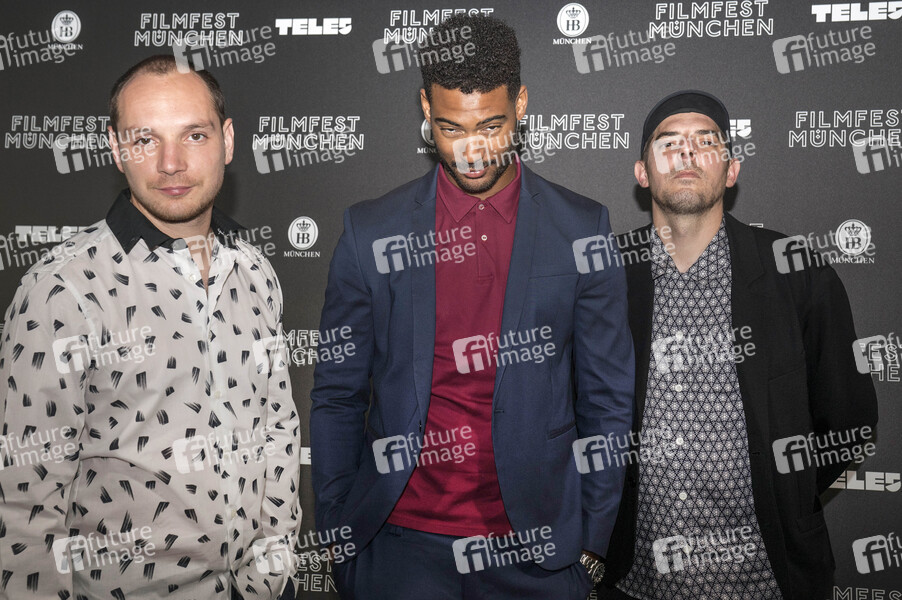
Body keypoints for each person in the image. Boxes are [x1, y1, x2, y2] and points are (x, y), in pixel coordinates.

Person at [310, 13, 635, 600]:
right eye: (451, 128)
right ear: (425, 110)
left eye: (491, 125)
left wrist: (590, 543)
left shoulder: (582, 229)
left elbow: (607, 398)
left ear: (521, 105)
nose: (472, 151)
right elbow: (337, 394)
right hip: (398, 546)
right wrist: (339, 532)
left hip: (536, 552)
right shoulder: (370, 231)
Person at [0, 55, 301, 599]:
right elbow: (24, 501)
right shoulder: (62, 290)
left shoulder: (255, 272)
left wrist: (269, 578)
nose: (170, 162)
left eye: (194, 135)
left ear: (228, 142)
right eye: (145, 140)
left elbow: (278, 431)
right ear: (116, 150)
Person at [600, 90, 878, 600]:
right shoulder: (607, 276)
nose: (687, 153)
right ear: (642, 172)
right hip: (636, 580)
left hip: (764, 582)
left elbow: (848, 418)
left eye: (706, 142)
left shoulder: (796, 270)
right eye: (669, 143)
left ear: (731, 170)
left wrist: (785, 493)